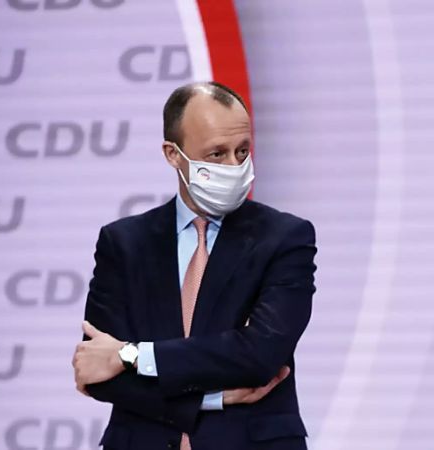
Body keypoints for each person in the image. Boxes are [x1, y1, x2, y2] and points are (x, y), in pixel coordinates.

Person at [71, 82, 316, 450]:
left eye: (242, 151)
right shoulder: (124, 243)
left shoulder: (285, 238)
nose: (235, 166)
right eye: (217, 154)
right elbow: (99, 373)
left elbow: (259, 355)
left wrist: (132, 354)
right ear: (173, 154)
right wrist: (214, 398)